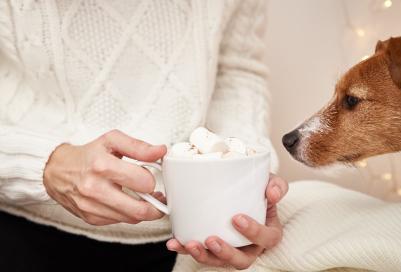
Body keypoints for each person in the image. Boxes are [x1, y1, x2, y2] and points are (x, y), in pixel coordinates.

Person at [0, 0, 288, 271]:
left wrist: (246, 183)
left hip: (187, 248)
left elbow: (235, 67)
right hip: (20, 232)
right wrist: (42, 165)